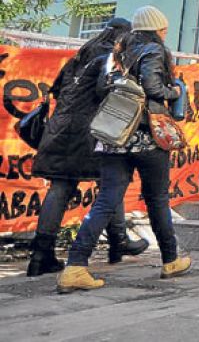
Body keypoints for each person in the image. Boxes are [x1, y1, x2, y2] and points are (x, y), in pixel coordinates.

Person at [57, 6, 191, 293]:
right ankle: (171, 260)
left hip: (113, 135)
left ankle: (75, 266)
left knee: (106, 200)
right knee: (157, 199)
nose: (165, 34)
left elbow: (100, 91)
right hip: (146, 136)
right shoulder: (153, 50)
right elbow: (154, 88)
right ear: (155, 29)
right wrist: (175, 92)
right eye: (163, 29)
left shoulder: (114, 55)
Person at [27, 19, 148, 277]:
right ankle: (118, 241)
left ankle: (40, 256)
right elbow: (107, 90)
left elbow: (57, 91)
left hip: (59, 130)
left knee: (61, 188)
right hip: (89, 133)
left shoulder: (77, 58)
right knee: (112, 183)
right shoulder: (109, 58)